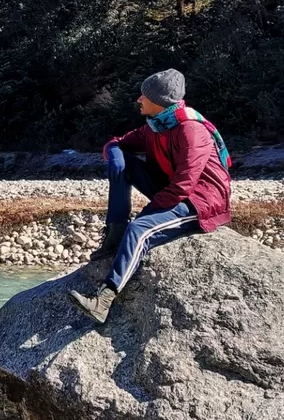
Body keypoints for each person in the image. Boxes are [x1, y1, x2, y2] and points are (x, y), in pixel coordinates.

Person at [70, 68, 232, 323]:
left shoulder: (191, 130)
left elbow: (183, 185)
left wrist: (150, 212)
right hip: (173, 189)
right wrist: (114, 155)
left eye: (143, 96)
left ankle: (104, 299)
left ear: (158, 102)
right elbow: (117, 142)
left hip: (200, 200)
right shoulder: (157, 125)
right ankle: (114, 235)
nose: (138, 99)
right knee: (126, 163)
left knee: (140, 229)